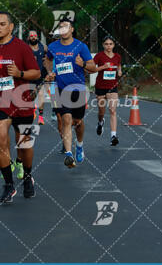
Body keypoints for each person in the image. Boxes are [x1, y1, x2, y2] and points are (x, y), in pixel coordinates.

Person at [0, 11, 40, 204]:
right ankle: (8, 184)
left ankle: (28, 176)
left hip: (22, 100)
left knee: (24, 143)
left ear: (11, 27)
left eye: (2, 24)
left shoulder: (22, 47)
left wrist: (19, 72)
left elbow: (36, 73)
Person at [45, 17, 96, 168]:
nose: (63, 29)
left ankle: (79, 145)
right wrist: (50, 71)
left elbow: (93, 67)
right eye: (60, 27)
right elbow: (47, 60)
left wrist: (84, 64)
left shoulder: (81, 47)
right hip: (60, 89)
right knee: (66, 119)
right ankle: (68, 154)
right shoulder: (53, 47)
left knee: (78, 122)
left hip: (78, 89)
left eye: (66, 27)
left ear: (72, 29)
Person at [94, 36, 122, 146]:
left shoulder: (117, 56)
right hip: (100, 87)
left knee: (113, 110)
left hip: (112, 87)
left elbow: (118, 65)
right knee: (102, 112)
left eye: (110, 44)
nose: (108, 46)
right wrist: (103, 67)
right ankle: (100, 123)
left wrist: (119, 71)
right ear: (103, 45)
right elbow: (92, 69)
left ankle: (113, 136)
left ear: (114, 45)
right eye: (106, 44)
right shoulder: (99, 56)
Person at [27, 30, 47, 125]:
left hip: (40, 75)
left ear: (37, 37)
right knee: (32, 96)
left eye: (35, 35)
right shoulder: (26, 48)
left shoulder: (43, 47)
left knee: (41, 94)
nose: (33, 37)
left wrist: (46, 61)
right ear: (28, 38)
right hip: (29, 75)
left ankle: (41, 117)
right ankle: (33, 107)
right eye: (31, 36)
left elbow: (50, 56)